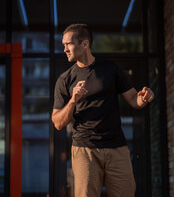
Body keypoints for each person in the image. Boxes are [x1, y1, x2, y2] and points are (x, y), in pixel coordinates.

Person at [52, 23, 154, 197]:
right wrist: (72, 101)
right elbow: (57, 123)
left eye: (68, 44)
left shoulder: (110, 69)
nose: (65, 49)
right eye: (63, 45)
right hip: (85, 149)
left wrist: (143, 98)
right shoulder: (65, 79)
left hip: (117, 147)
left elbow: (132, 98)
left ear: (84, 44)